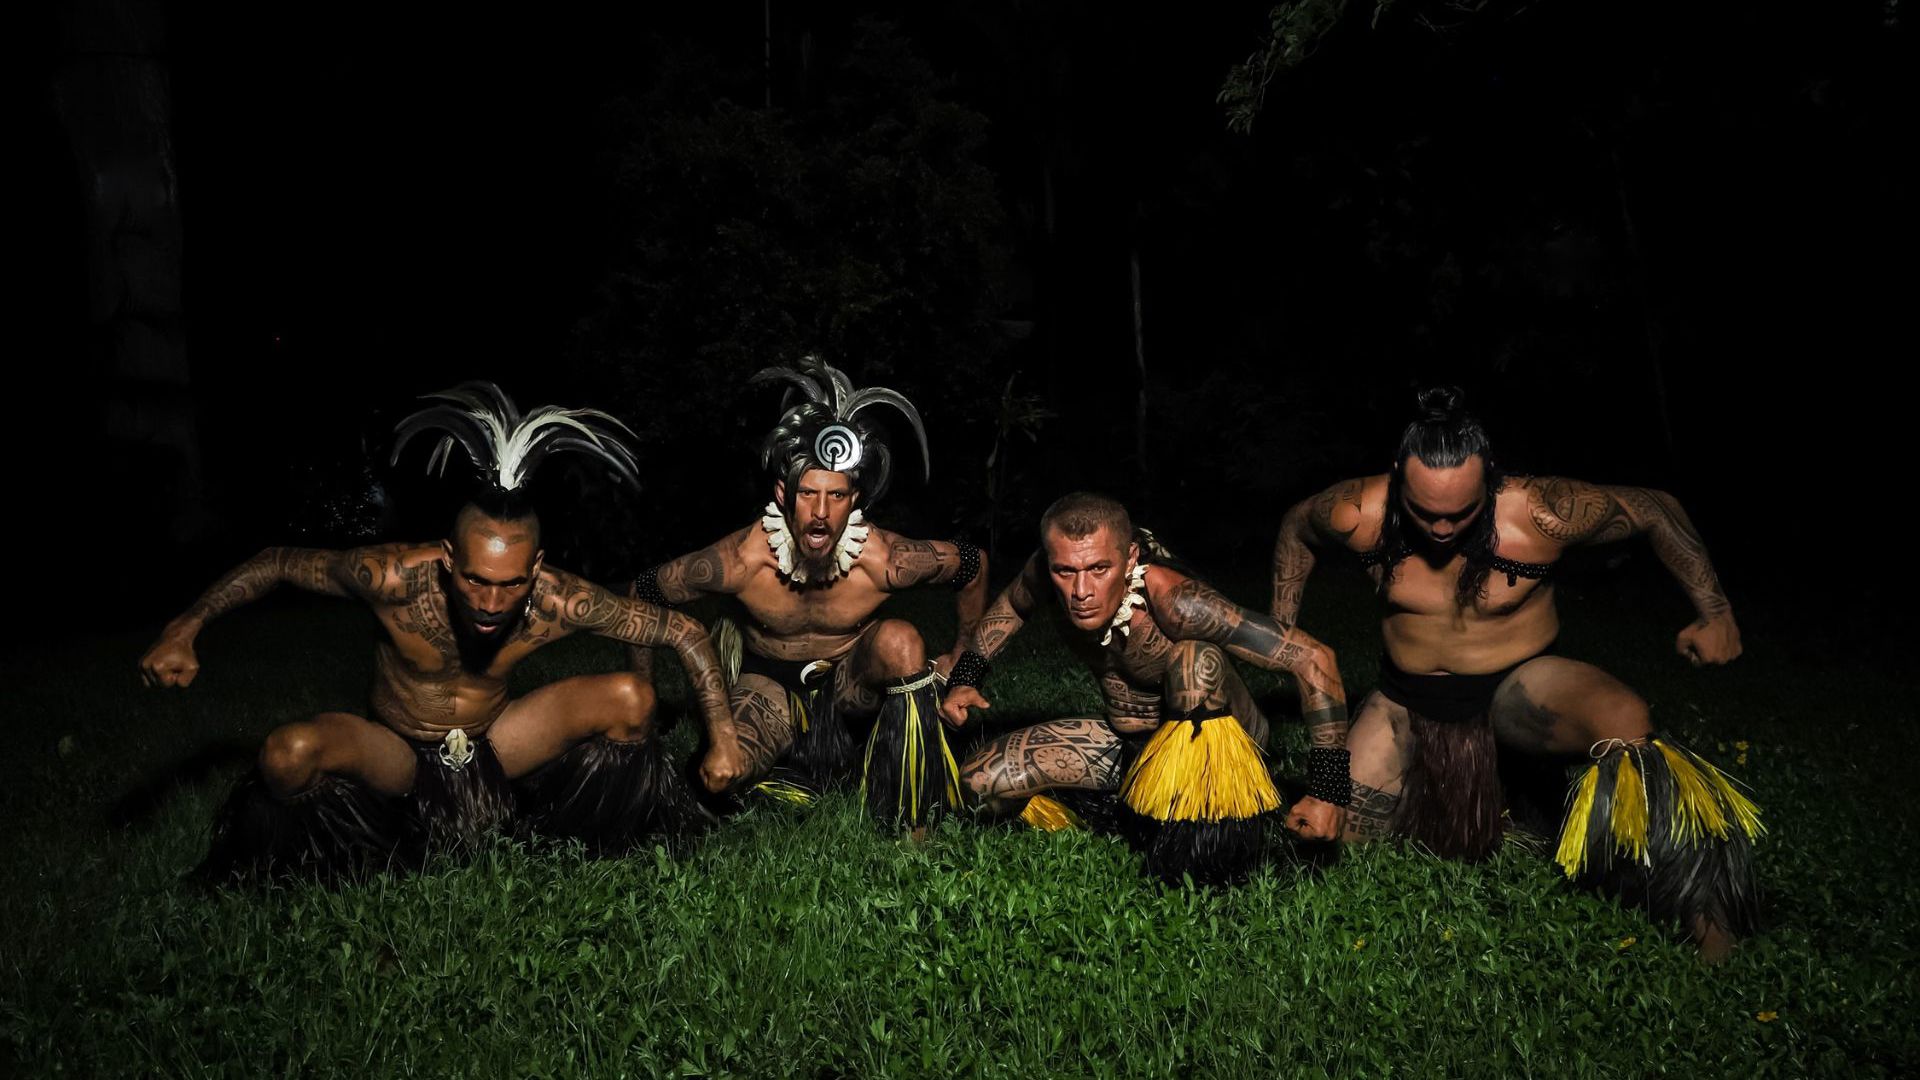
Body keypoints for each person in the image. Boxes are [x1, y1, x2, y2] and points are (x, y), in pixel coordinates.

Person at [140, 383, 742, 879]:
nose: (489, 601)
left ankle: (568, 839)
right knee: (287, 755)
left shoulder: (560, 600)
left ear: (535, 568)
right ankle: (365, 854)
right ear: (449, 557)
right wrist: (184, 627)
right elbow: (277, 561)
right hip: (398, 752)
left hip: (496, 744)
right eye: (476, 579)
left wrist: (722, 738)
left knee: (631, 701)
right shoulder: (393, 577)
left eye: (510, 584)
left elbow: (683, 630)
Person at [1269, 386, 1760, 956]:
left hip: (1517, 688)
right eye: (1426, 512)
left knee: (1627, 721)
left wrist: (1716, 613)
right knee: (1334, 835)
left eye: (1462, 512)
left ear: (1491, 481)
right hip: (1405, 698)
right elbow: (1295, 528)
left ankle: (1710, 923)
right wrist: (1284, 631)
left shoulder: (1542, 513)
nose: (1443, 529)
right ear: (1398, 478)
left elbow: (1655, 508)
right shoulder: (1358, 513)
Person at [631, 358, 987, 829]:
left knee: (902, 641)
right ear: (782, 493)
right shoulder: (741, 559)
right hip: (767, 687)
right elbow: (644, 592)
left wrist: (963, 659)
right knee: (717, 780)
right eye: (807, 494)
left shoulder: (886, 560)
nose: (821, 513)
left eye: (836, 496)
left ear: (854, 499)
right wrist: (645, 701)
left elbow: (974, 565)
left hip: (849, 689)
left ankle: (910, 815)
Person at [939, 492, 1351, 883]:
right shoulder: (1046, 576)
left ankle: (1212, 851)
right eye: (1065, 571)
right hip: (1130, 744)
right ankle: (1125, 812)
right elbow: (1013, 604)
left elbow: (1315, 658)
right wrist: (966, 678)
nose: (1081, 592)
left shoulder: (1177, 602)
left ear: (1131, 556)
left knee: (1194, 661)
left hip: (1218, 754)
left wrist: (1328, 793)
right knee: (979, 783)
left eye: (1099, 569)